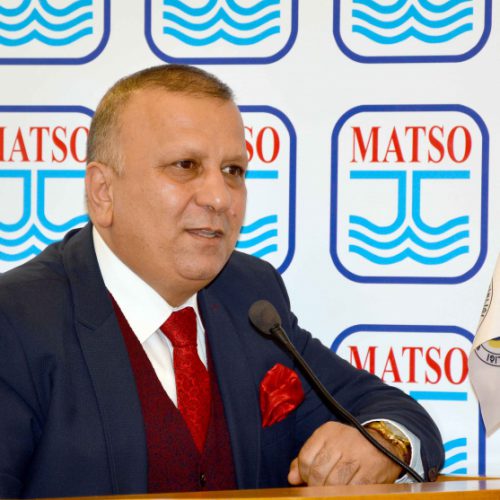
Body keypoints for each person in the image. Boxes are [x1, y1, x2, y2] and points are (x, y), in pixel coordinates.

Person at [0, 65, 444, 499]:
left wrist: (383, 441)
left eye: (233, 170)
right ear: (103, 192)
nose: (219, 197)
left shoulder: (249, 295)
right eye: (185, 165)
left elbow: (395, 413)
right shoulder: (16, 320)